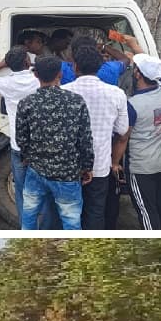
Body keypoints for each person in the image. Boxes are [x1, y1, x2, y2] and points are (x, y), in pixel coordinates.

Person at [15, 55, 95, 229]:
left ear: (36, 75)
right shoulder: (76, 102)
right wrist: (87, 167)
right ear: (60, 74)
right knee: (72, 222)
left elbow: (21, 139)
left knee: (29, 216)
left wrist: (28, 158)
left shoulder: (26, 103)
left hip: (36, 171)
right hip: (68, 174)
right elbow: (85, 140)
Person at [62, 46, 131, 230]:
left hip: (69, 165)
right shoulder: (116, 93)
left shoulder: (63, 92)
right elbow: (123, 130)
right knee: (96, 211)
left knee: (69, 211)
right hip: (100, 165)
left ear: (75, 66)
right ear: (101, 66)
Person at [0, 47, 45, 224]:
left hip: (18, 146)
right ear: (27, 62)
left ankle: (26, 226)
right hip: (41, 146)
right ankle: (44, 224)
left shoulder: (5, 84)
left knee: (21, 189)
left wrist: (0, 64)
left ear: (9, 66)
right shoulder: (39, 82)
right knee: (43, 188)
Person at [125, 53, 161, 229]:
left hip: (142, 168)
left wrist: (115, 162)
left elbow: (124, 137)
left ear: (138, 74)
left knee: (147, 211)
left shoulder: (133, 104)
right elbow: (158, 74)